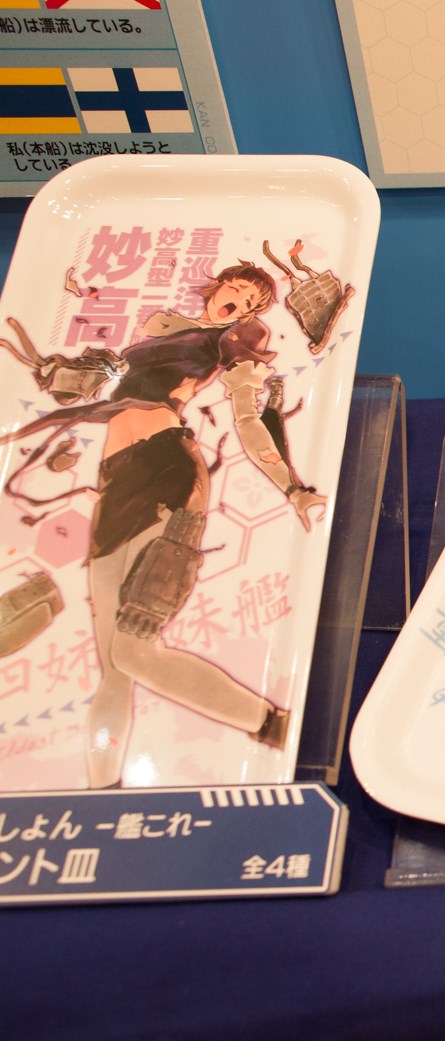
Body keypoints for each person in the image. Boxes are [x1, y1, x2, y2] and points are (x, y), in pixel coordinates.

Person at [0, 262, 325, 788]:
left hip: (166, 468)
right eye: (237, 290)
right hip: (115, 480)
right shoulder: (164, 332)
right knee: (114, 666)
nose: (241, 303)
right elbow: (100, 387)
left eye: (252, 302)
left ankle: (275, 727)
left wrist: (292, 487)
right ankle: (102, 794)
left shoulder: (232, 342)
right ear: (217, 287)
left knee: (133, 650)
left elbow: (249, 418)